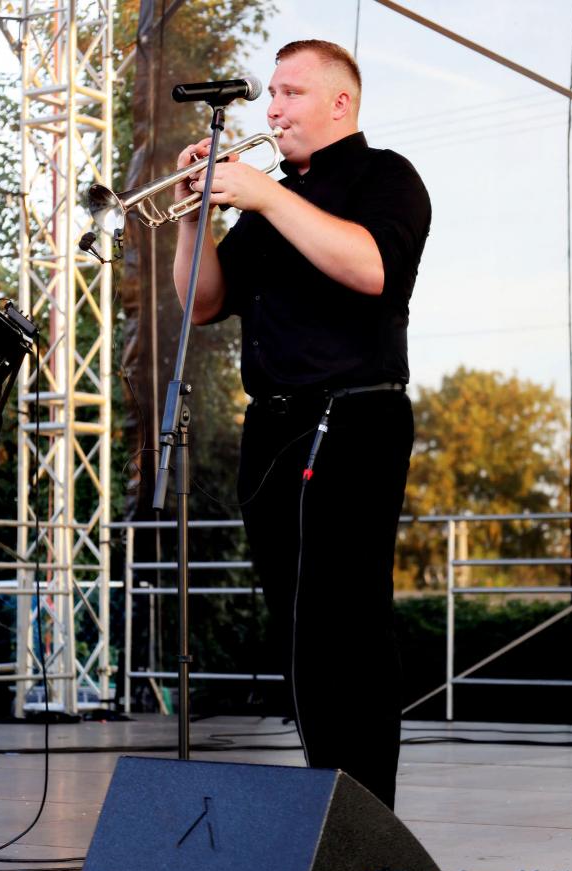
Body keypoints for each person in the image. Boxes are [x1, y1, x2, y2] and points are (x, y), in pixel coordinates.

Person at [173, 40, 431, 811]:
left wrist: (262, 195)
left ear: (339, 103)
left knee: (347, 621)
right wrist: (193, 219)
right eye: (272, 94)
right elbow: (205, 303)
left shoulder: (383, 176)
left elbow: (371, 267)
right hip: (274, 428)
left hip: (354, 418)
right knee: (297, 627)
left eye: (289, 92)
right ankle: (327, 802)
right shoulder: (274, 199)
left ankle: (366, 813)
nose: (273, 108)